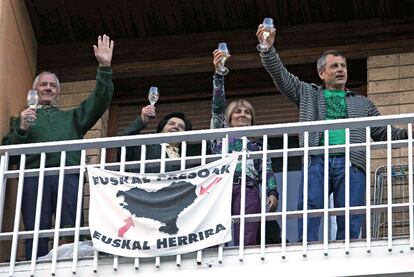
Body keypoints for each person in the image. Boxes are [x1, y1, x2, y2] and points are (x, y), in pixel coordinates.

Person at [256, 24, 409, 242]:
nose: (340, 70)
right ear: (321, 73)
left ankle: (348, 246)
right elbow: (281, 77)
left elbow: (385, 133)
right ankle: (306, 247)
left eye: (343, 66)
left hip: (351, 161)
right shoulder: (307, 93)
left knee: (351, 209)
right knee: (311, 206)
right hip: (317, 158)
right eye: (334, 66)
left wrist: (409, 133)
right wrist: (267, 49)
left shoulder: (363, 103)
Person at [2, 34, 114, 259]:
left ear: (59, 93)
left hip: (67, 174)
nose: (48, 88)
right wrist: (22, 127)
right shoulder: (22, 119)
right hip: (34, 176)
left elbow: (99, 101)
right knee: (36, 224)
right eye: (43, 84)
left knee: (69, 222)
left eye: (53, 85)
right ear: (33, 91)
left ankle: (70, 259)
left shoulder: (72, 118)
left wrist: (104, 67)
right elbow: (8, 154)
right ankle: (35, 260)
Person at [210, 49, 279, 246]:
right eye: (238, 112)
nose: (243, 115)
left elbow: (267, 171)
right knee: (216, 232)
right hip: (221, 186)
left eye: (247, 113)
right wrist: (219, 74)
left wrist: (272, 193)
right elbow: (217, 106)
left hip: (248, 187)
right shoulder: (219, 137)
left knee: (247, 236)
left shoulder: (257, 147)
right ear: (229, 118)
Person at [119, 105, 192, 173]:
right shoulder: (145, 147)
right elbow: (123, 141)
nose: (176, 127)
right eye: (171, 124)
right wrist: (142, 120)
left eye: (181, 127)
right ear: (161, 130)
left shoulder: (189, 161)